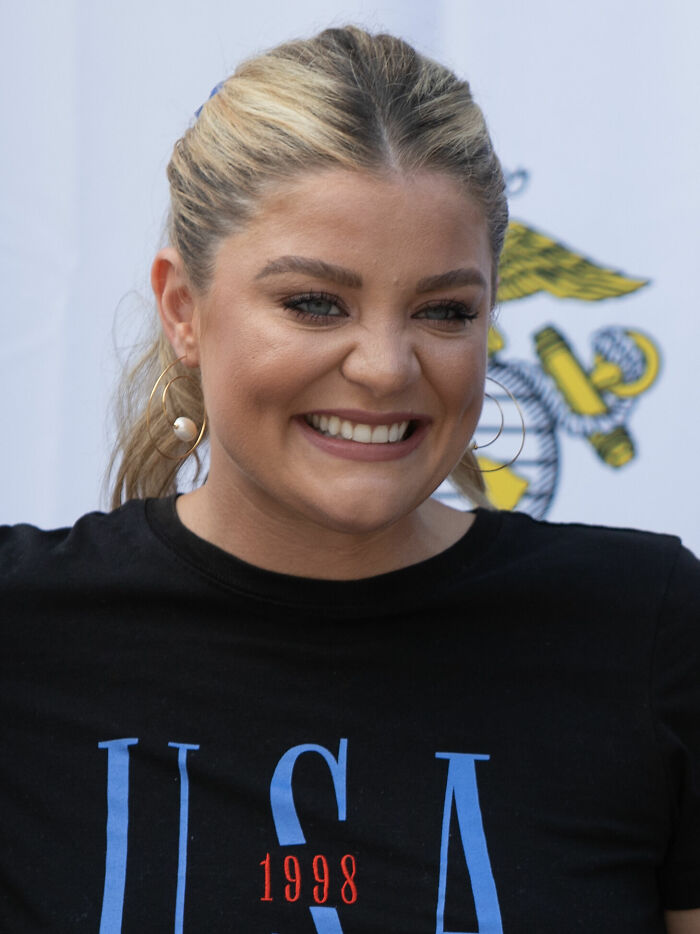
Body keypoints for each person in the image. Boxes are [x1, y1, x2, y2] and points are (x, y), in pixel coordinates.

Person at [1, 25, 698, 934]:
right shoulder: (23, 640)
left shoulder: (646, 632)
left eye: (443, 311)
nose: (383, 366)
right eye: (314, 303)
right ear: (183, 309)